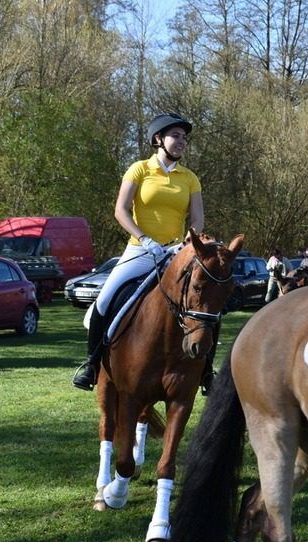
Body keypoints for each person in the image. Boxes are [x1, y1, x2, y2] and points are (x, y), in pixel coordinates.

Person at [73, 112, 206, 390]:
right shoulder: (139, 169)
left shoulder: (190, 178)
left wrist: (186, 243)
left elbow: (197, 219)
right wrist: (144, 239)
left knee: (205, 304)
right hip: (140, 251)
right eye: (176, 136)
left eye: (184, 137)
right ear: (158, 139)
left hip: (175, 254)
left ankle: (206, 372)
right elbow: (120, 211)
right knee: (104, 301)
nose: (182, 141)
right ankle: (91, 365)